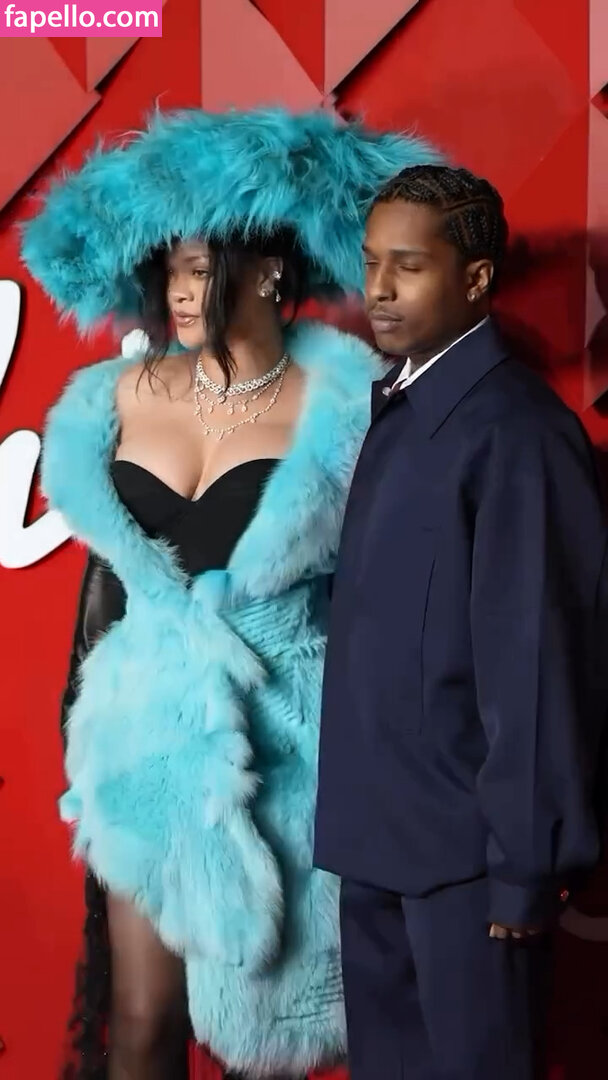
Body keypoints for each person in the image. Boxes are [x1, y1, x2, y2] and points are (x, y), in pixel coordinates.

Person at [22, 109, 438, 1080]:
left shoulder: (350, 407)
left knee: (280, 1037)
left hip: (297, 746)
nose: (179, 289)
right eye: (169, 267)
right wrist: (88, 735)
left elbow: (393, 602)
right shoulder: (111, 401)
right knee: (141, 1024)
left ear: (271, 272)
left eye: (201, 266)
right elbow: (108, 593)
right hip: (147, 742)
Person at [314, 164, 608, 1080]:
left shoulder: (519, 434)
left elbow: (539, 664)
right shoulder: (400, 410)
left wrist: (525, 865)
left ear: (476, 279)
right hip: (375, 846)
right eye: (371, 263)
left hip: (470, 869)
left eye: (408, 266)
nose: (379, 289)